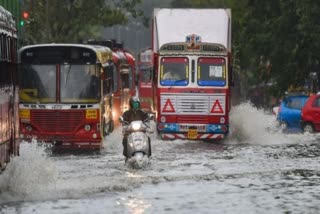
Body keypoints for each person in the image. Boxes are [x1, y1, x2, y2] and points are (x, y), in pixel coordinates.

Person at [121, 96, 151, 160]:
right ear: (131, 104)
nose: (136, 105)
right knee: (125, 139)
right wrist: (125, 126)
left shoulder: (143, 113)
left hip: (141, 131)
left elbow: (147, 120)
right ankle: (126, 156)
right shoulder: (127, 113)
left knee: (148, 138)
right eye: (134, 104)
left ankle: (148, 155)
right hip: (130, 132)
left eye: (137, 104)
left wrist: (147, 125)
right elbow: (124, 122)